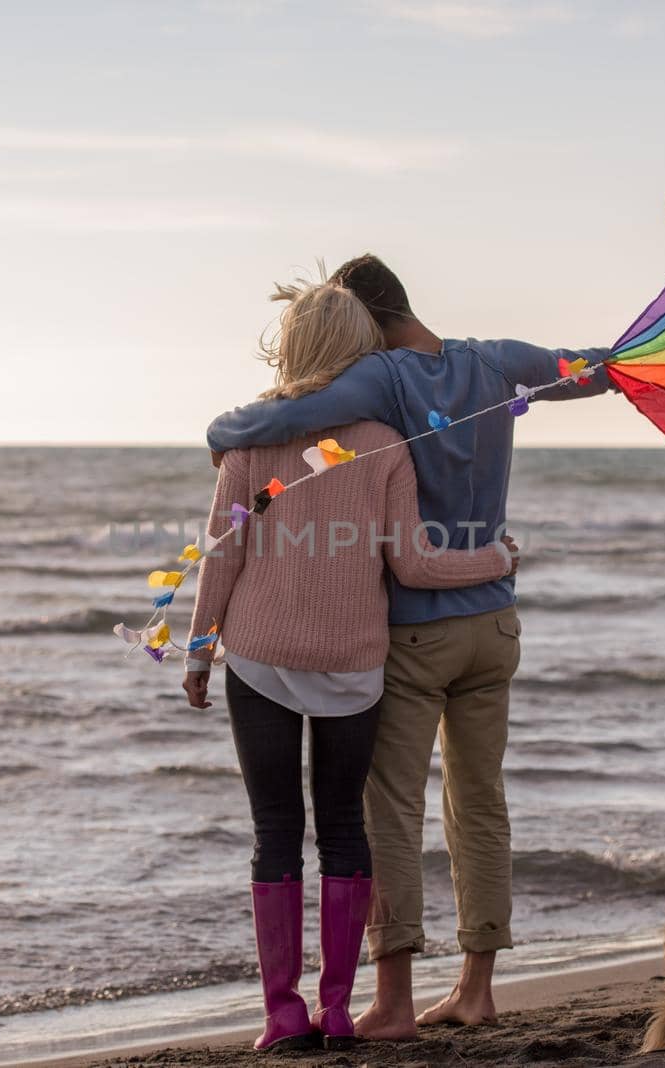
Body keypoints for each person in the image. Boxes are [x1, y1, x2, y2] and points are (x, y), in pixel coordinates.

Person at [205, 253, 618, 1040]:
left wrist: (220, 433)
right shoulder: (499, 362)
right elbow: (587, 371)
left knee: (387, 814)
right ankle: (477, 988)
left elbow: (274, 422)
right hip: (494, 626)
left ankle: (392, 1002)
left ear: (363, 321)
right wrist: (651, 356)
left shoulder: (378, 381)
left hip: (419, 628)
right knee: (481, 805)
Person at [183, 277, 519, 1052]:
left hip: (260, 663)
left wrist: (201, 651)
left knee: (275, 831)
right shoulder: (384, 448)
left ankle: (282, 1015)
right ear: (361, 351)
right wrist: (496, 558)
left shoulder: (246, 445)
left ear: (293, 347)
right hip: (357, 669)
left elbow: (220, 560)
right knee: (344, 830)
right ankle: (337, 1011)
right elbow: (416, 565)